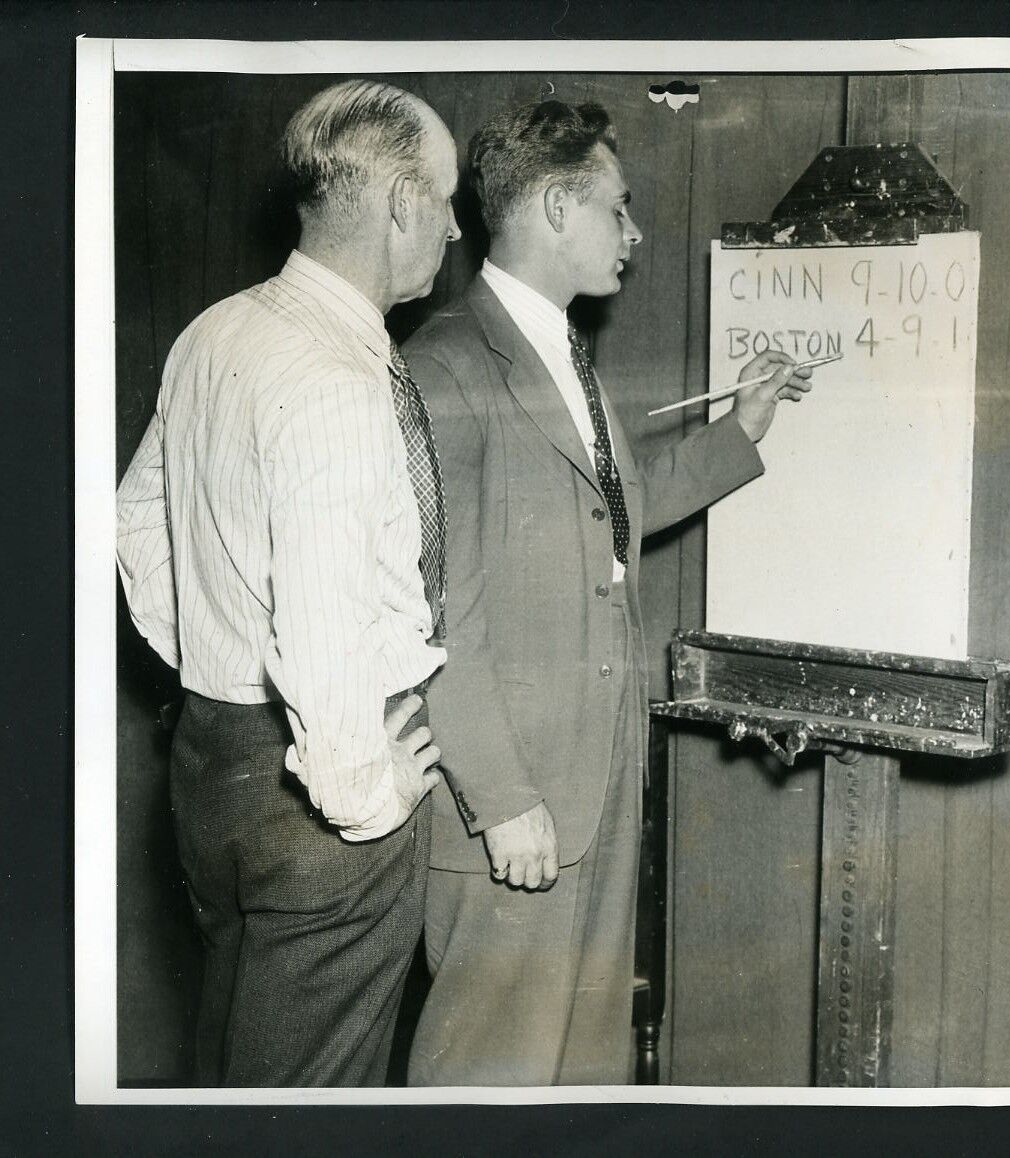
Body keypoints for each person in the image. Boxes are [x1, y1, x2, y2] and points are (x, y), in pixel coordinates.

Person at [403, 99, 811, 1086]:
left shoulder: (559, 351)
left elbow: (609, 513)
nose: (632, 235)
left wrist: (743, 427)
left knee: (578, 1078)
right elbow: (433, 612)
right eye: (616, 210)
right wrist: (500, 800)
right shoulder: (446, 363)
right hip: (512, 804)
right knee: (486, 1079)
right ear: (553, 208)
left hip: (591, 784)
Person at [115, 80, 462, 1086]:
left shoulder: (216, 331)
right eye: (441, 202)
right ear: (400, 204)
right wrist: (364, 789)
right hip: (323, 788)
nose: (449, 229)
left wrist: (221, 678)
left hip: (214, 766)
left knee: (238, 1070)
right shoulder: (336, 381)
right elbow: (319, 622)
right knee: (309, 1108)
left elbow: (136, 521)